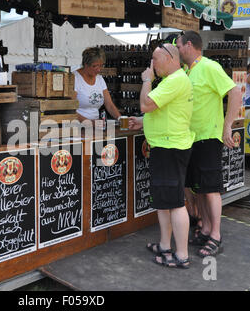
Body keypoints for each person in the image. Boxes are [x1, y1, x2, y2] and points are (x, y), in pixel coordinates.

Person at [176, 31, 242, 258]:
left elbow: (235, 92)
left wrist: (227, 126)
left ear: (190, 45)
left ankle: (216, 234)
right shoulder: (187, 70)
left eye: (179, 46)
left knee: (211, 189)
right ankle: (205, 228)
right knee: (200, 189)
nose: (177, 50)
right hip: (191, 138)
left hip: (208, 137)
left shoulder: (210, 67)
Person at [129, 43, 194, 268]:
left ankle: (182, 255)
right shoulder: (173, 80)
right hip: (166, 146)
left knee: (175, 203)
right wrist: (142, 121)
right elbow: (161, 110)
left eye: (155, 60)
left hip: (170, 148)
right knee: (164, 202)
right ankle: (165, 245)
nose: (152, 65)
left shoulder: (175, 80)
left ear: (169, 58)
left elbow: (147, 104)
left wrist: (147, 80)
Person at [73, 47, 121, 124]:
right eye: (95, 66)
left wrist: (120, 118)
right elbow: (70, 109)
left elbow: (109, 104)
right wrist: (90, 123)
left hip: (95, 126)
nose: (99, 69)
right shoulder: (74, 78)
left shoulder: (99, 79)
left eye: (101, 65)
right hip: (77, 126)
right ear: (85, 64)